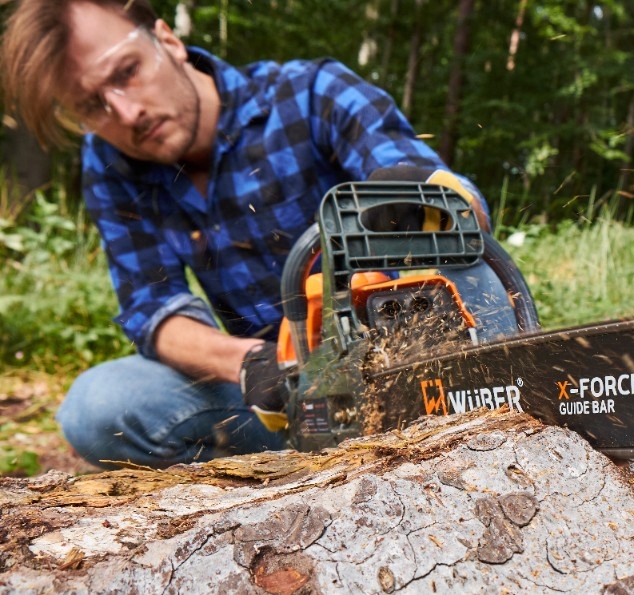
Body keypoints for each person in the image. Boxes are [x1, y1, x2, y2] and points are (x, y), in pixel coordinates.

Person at [1, 0, 508, 469]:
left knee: (466, 266)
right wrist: (250, 364)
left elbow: (461, 209)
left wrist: (420, 199)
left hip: (416, 364)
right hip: (282, 397)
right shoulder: (111, 163)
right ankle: (287, 474)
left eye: (126, 72)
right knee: (97, 405)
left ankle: (468, 432)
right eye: (93, 105)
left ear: (167, 40)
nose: (127, 113)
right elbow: (153, 311)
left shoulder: (311, 93)